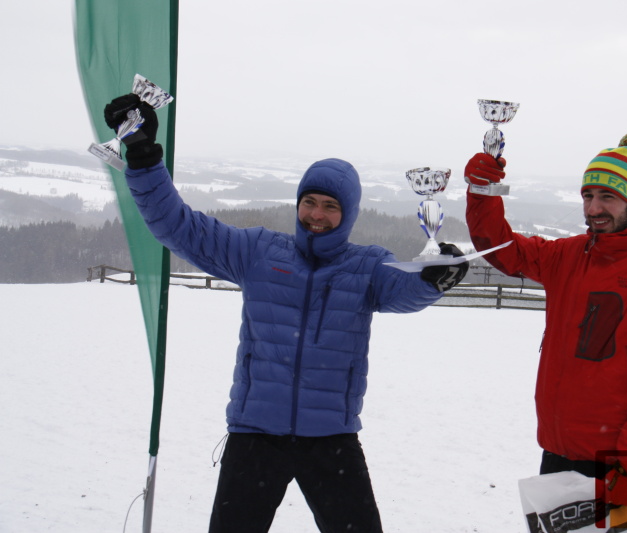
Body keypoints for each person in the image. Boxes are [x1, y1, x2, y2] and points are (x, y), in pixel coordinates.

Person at [103, 93, 469, 533]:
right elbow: (177, 226)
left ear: (349, 213)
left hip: (331, 438)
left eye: (330, 206)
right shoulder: (257, 251)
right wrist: (143, 156)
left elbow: (403, 290)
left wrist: (432, 280)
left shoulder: (366, 266)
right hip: (255, 435)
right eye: (309, 201)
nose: (316, 214)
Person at [463, 135, 627, 513]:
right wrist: (482, 193)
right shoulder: (571, 254)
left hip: (617, 461)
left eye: (607, 197)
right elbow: (504, 250)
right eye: (587, 196)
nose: (593, 208)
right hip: (558, 451)